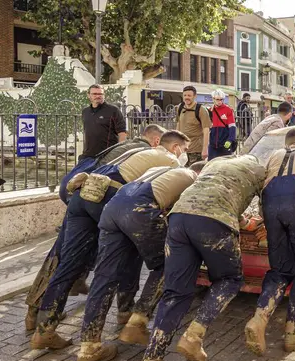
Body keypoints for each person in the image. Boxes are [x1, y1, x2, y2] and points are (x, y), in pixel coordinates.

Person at [30, 131, 190, 350]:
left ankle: (44, 329)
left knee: (69, 263)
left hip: (83, 194)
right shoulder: (171, 161)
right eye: (185, 150)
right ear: (176, 147)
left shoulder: (139, 152)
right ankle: (126, 313)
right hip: (108, 196)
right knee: (125, 258)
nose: (185, 155)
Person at [133, 155, 265, 361]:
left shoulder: (215, 165)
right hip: (215, 221)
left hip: (180, 218)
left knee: (175, 293)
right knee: (230, 279)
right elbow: (265, 210)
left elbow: (213, 194)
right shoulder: (259, 170)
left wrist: (241, 220)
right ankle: (194, 336)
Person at [75, 162, 206, 361]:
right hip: (140, 209)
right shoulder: (193, 177)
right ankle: (137, 322)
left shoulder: (163, 171)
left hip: (113, 208)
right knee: (168, 264)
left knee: (104, 277)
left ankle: (87, 350)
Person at [244, 128, 295, 356]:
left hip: (271, 208)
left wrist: (267, 219)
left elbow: (262, 189)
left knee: (280, 269)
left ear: (287, 143)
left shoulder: (273, 155)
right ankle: (293, 333)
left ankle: (259, 319)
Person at [81, 84, 128, 162]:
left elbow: (122, 133)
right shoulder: (85, 112)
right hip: (88, 156)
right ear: (89, 95)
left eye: (100, 94)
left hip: (107, 156)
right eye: (95, 94)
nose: (98, 96)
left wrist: (118, 153)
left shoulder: (113, 110)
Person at [177, 86, 212, 164]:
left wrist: (205, 149)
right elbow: (178, 125)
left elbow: (206, 130)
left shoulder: (201, 110)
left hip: (196, 150)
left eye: (189, 95)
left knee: (195, 174)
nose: (186, 97)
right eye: (185, 95)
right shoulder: (180, 108)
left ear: (195, 96)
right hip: (183, 150)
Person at [208, 89, 237, 159]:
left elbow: (232, 127)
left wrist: (230, 140)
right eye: (217, 99)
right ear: (213, 99)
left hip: (225, 143)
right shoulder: (209, 111)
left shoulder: (228, 110)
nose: (219, 101)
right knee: (211, 164)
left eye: (221, 99)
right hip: (213, 145)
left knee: (226, 164)